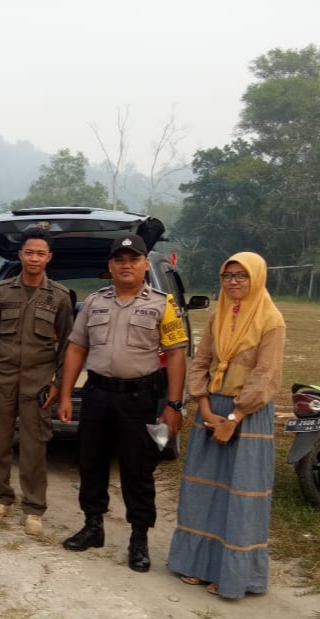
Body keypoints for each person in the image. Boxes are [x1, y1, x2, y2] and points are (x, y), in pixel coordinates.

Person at [58, 234, 188, 572]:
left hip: (139, 398)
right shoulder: (93, 303)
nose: (126, 265)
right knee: (91, 462)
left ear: (146, 264)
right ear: (110, 266)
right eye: (119, 259)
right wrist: (64, 392)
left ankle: (139, 539)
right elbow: (76, 348)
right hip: (98, 394)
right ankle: (93, 526)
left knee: (137, 469)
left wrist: (173, 404)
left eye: (133, 259)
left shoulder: (163, 304)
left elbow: (175, 355)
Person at [167, 252, 285, 599]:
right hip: (211, 410)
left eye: (241, 276)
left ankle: (231, 574)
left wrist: (234, 419)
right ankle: (199, 565)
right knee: (205, 490)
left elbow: (267, 375)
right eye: (227, 275)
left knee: (240, 494)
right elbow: (201, 361)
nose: (233, 282)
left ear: (257, 278)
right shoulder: (219, 315)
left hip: (246, 416)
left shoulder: (271, 320)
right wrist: (204, 408)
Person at [0, 227, 74, 536]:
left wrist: (60, 383)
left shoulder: (59, 297)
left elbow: (68, 346)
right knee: (0, 442)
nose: (34, 258)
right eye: (29, 252)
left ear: (49, 258)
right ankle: (0, 498)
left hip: (38, 386)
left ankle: (34, 508)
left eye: (40, 253)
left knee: (35, 448)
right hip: (2, 381)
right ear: (20, 255)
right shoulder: (0, 293)